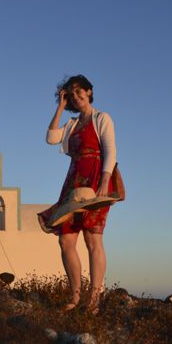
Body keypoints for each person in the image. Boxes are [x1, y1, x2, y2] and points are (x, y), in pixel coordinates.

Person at [38, 75, 118, 314]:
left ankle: (94, 299)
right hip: (73, 181)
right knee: (66, 240)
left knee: (93, 239)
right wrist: (60, 106)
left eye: (78, 91)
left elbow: (110, 149)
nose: (75, 96)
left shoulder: (101, 118)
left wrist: (105, 179)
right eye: (70, 94)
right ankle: (74, 297)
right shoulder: (72, 124)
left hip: (95, 178)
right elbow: (51, 138)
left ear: (89, 91)